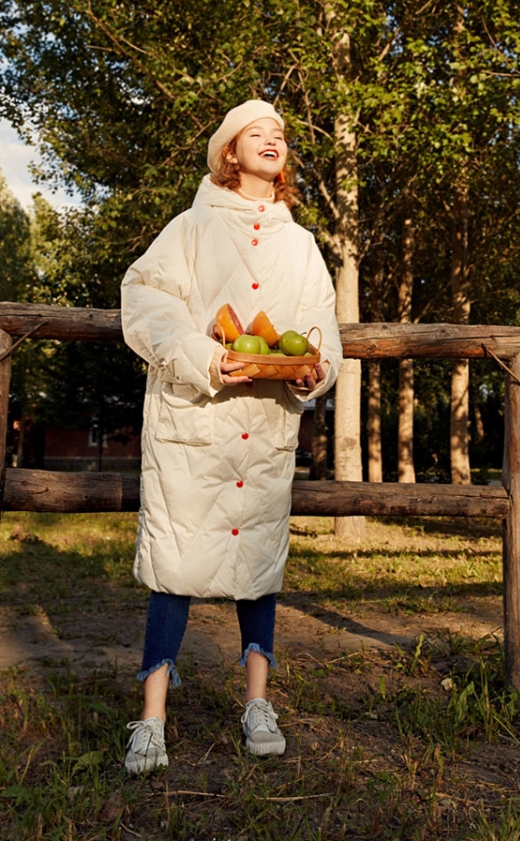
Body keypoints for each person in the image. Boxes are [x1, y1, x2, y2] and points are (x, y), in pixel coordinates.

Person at [120, 99, 343, 774]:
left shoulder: (300, 244)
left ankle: (257, 704)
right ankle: (151, 717)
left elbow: (321, 329)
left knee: (259, 570)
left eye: (280, 134)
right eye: (257, 133)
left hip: (266, 427)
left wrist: (316, 371)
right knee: (174, 565)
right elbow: (146, 301)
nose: (273, 140)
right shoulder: (189, 228)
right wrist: (204, 357)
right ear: (229, 152)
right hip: (195, 421)